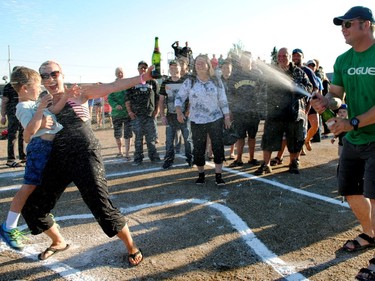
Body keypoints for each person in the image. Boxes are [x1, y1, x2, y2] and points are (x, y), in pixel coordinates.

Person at [19, 60, 153, 265]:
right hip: (57, 158)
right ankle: (57, 241)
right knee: (33, 206)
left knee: (100, 205)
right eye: (44, 76)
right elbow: (29, 133)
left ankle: (131, 246)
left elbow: (112, 86)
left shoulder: (79, 92)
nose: (50, 79)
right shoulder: (41, 103)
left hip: (85, 154)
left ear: (62, 74)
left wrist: (143, 78)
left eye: (53, 74)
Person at [309, 7, 375, 280]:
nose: (343, 29)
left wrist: (353, 122)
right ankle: (370, 234)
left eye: (348, 24)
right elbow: (337, 96)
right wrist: (325, 102)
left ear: (366, 25)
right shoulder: (343, 59)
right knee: (350, 191)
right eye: (342, 25)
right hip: (354, 139)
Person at [0, 66, 74, 250]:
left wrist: (66, 95)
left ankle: (44, 215)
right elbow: (30, 131)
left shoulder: (34, 104)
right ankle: (8, 227)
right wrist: (41, 111)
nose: (41, 89)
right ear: (24, 88)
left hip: (50, 148)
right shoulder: (23, 106)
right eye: (38, 85)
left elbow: (54, 110)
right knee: (28, 187)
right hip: (39, 149)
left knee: (45, 185)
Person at [254, 47, 312, 175]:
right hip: (274, 112)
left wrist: (295, 88)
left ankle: (293, 163)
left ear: (289, 57)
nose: (281, 58)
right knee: (268, 138)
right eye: (279, 56)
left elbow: (309, 87)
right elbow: (259, 86)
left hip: (294, 113)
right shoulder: (271, 72)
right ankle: (266, 164)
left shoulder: (299, 72)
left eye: (284, 56)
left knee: (294, 140)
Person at [175, 54, 231, 186]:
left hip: (215, 118)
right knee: (199, 148)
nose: (198, 65)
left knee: (217, 147)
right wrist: (179, 112)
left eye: (201, 62)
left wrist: (227, 117)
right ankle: (201, 175)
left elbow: (223, 100)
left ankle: (218, 175)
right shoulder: (190, 81)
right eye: (196, 63)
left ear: (208, 65)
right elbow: (179, 98)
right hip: (197, 120)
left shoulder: (216, 80)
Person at [227, 51, 263, 167]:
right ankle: (239, 159)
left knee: (252, 136)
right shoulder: (235, 75)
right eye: (243, 60)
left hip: (253, 111)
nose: (245, 62)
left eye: (247, 59)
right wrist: (231, 110)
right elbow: (230, 94)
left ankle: (252, 158)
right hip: (239, 111)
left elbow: (263, 92)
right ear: (240, 62)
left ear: (251, 60)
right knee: (240, 136)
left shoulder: (258, 74)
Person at [125, 61, 161, 165]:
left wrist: (157, 110)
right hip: (137, 115)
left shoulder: (153, 82)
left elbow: (158, 98)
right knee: (138, 139)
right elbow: (127, 99)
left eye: (145, 68)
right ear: (138, 69)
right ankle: (138, 159)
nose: (143, 69)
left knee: (151, 139)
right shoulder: (132, 82)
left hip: (150, 115)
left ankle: (154, 157)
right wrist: (130, 112)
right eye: (141, 68)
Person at [159, 60, 193, 169]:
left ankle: (190, 159)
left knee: (187, 139)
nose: (173, 69)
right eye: (171, 67)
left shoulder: (185, 81)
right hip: (170, 116)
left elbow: (192, 98)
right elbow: (161, 100)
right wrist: (162, 116)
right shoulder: (165, 83)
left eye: (175, 67)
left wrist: (188, 111)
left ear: (180, 68)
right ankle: (168, 160)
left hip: (184, 116)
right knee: (169, 140)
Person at [1, 66, 27, 168]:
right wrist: (3, 116)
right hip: (12, 113)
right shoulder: (9, 86)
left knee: (22, 134)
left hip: (21, 112)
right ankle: (10, 159)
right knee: (13, 135)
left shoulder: (22, 85)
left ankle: (23, 156)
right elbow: (4, 101)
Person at [108, 67, 132, 160]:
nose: (120, 74)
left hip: (127, 113)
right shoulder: (113, 85)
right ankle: (120, 151)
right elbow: (110, 98)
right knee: (118, 134)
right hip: (116, 114)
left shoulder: (127, 85)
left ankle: (127, 153)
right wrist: (115, 105)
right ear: (115, 74)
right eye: (118, 72)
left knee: (128, 133)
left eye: (121, 72)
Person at [221, 59, 236, 159]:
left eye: (228, 68)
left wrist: (231, 109)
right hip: (220, 109)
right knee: (218, 130)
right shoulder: (217, 80)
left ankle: (232, 152)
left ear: (231, 69)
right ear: (221, 69)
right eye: (224, 68)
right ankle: (219, 151)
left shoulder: (235, 80)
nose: (226, 70)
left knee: (232, 129)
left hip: (232, 108)